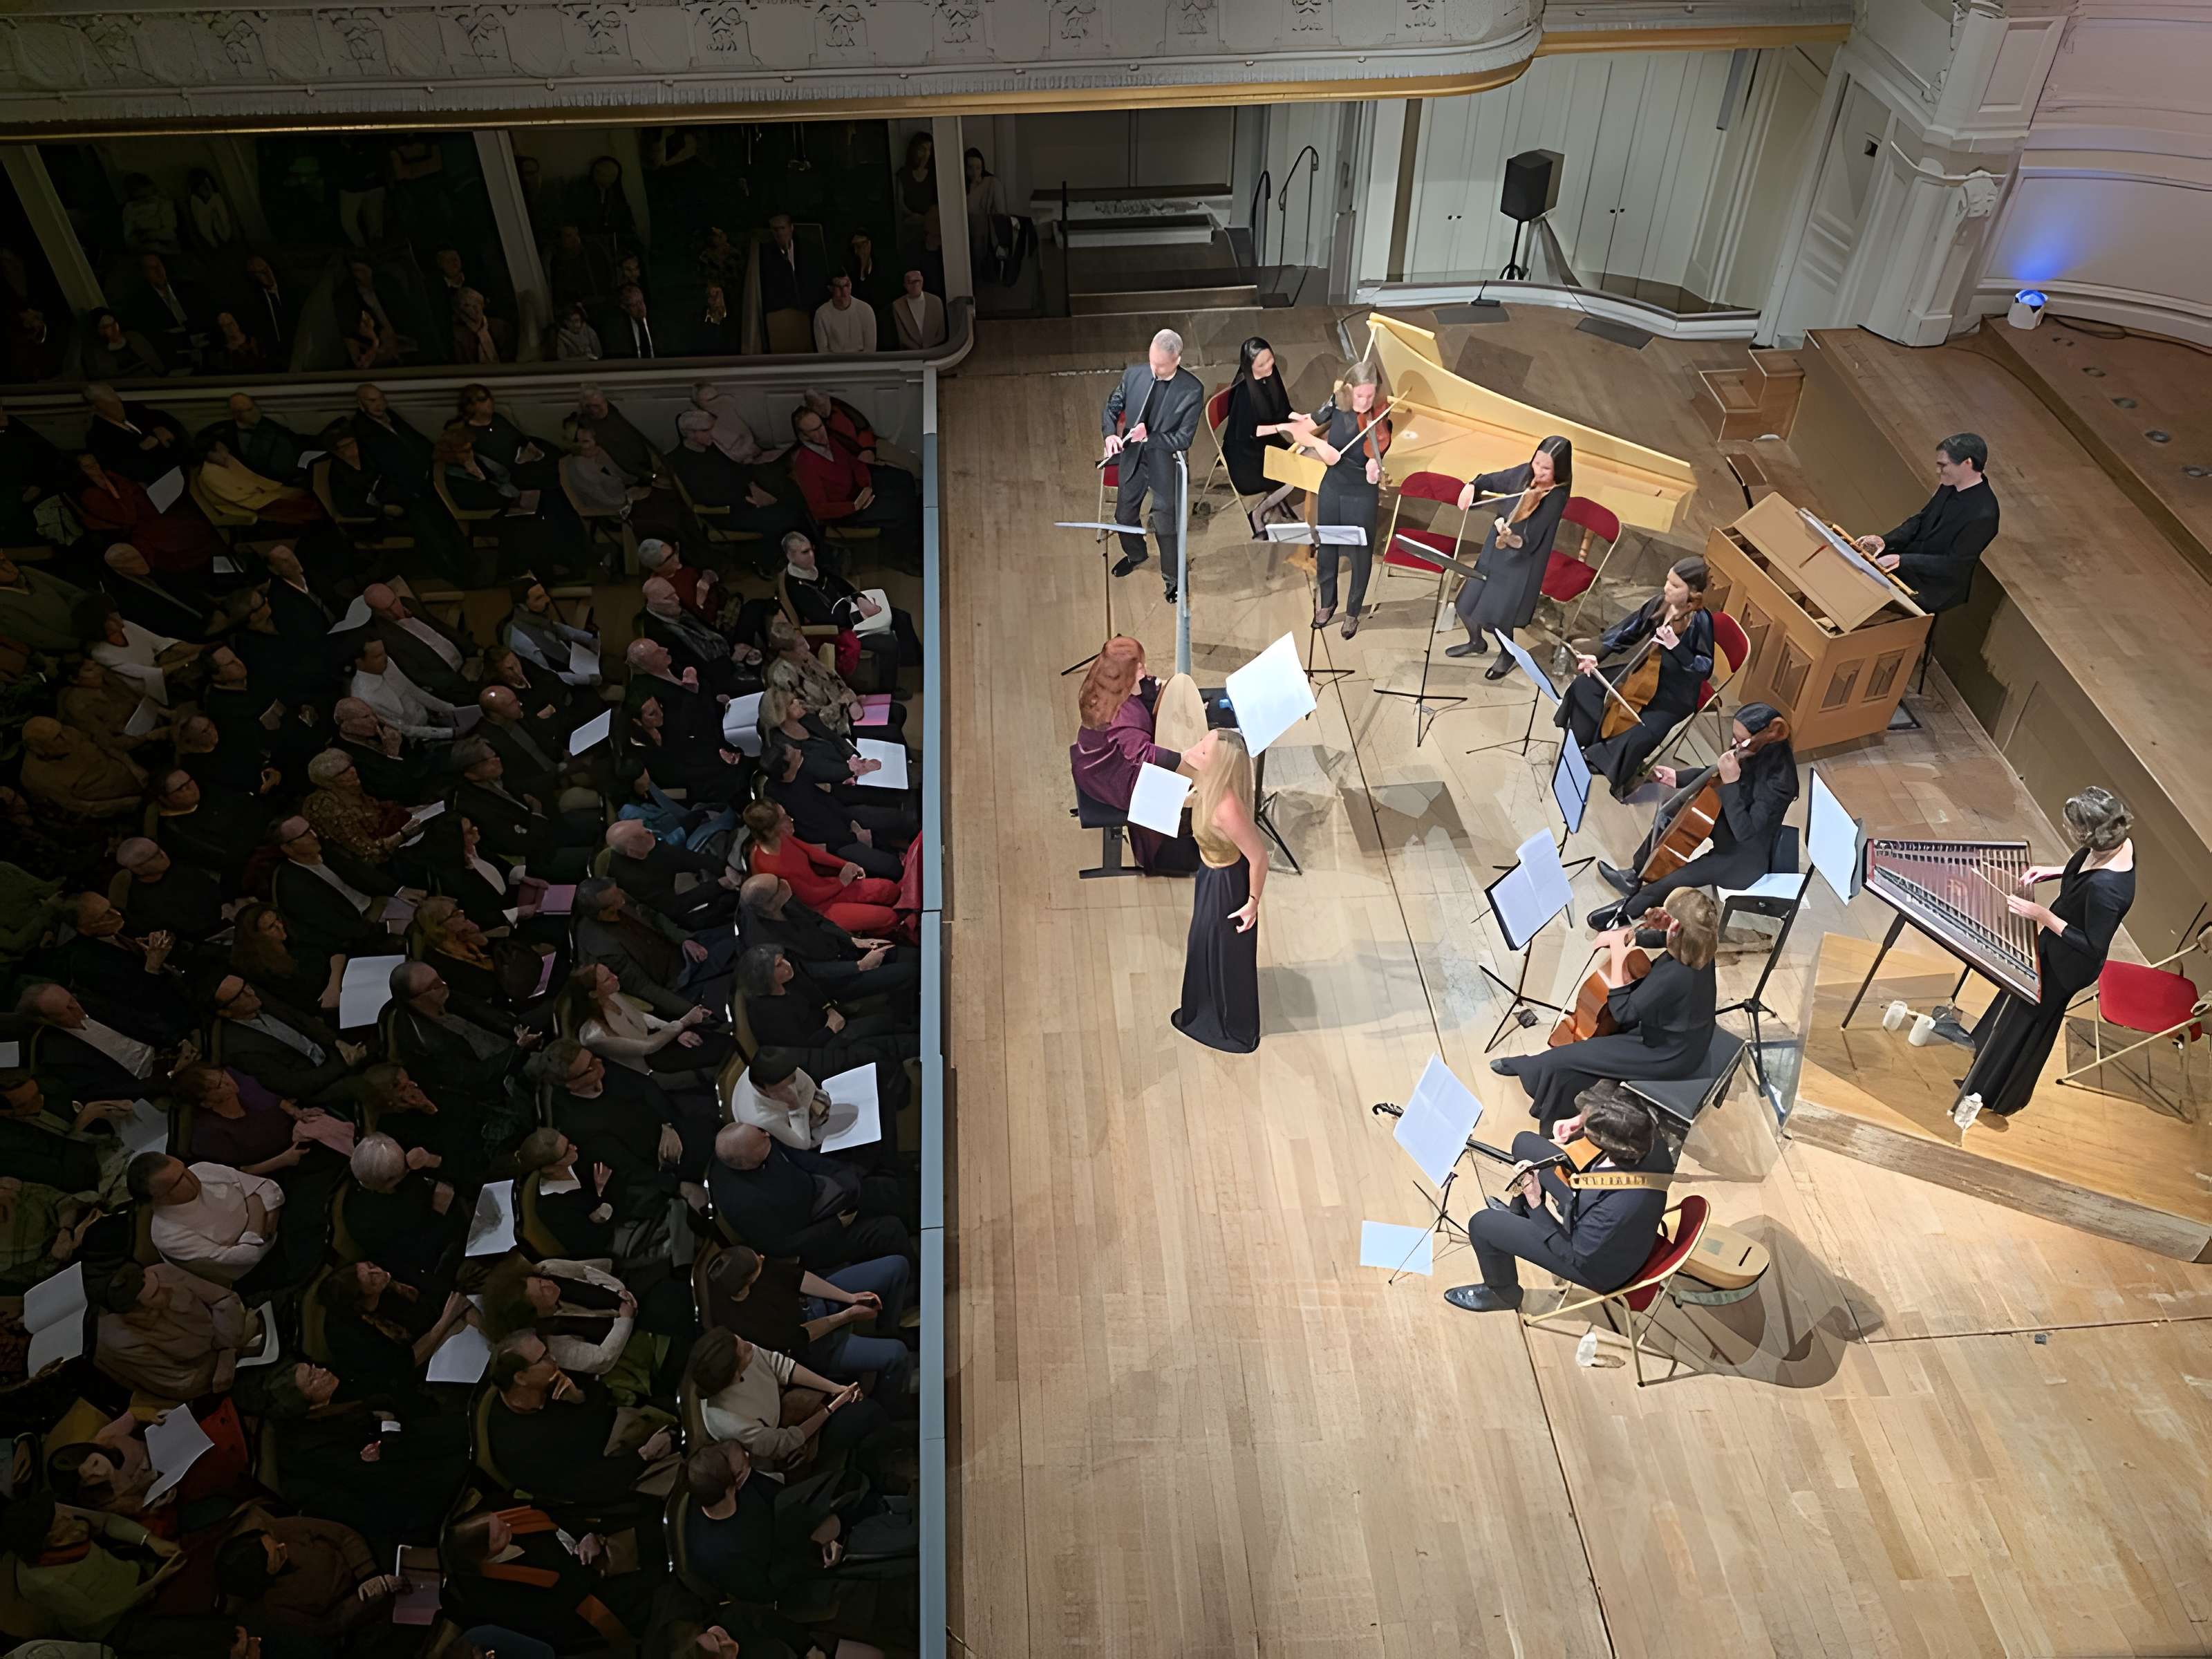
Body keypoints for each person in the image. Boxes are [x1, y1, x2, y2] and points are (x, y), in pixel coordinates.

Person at [1958, 786, 2135, 1121]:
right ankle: (1983, 1058)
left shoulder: (2106, 891)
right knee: (2015, 1001)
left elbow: (2094, 945)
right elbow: (2088, 871)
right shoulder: (2118, 842)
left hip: (2069, 962)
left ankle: (1995, 1091)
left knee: (2029, 1020)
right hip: (2056, 943)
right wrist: (2056, 871)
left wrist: (2042, 915)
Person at [1494, 890, 1721, 1134]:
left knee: (1569, 1057)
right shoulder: (1700, 950)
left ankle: (1542, 1092)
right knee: (1593, 1050)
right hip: (1683, 1039)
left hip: (1666, 1054)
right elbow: (1666, 940)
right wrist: (1632, 935)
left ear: (1677, 927)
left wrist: (1619, 956)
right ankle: (1543, 1071)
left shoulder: (1674, 975)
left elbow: (1623, 1011)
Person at [1441, 1080, 1673, 1314]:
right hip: (1595, 1201)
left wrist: (1535, 1203)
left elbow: (1573, 1254)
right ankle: (1516, 1218)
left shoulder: (1615, 1209)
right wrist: (1580, 1123)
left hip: (1595, 1266)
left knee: (1483, 1224)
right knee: (1525, 1144)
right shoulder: (1650, 1140)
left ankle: (1502, 1291)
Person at [1591, 704, 1798, 928]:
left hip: (1741, 857)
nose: (1733, 745)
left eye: (1740, 740)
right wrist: (1677, 778)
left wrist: (1730, 783)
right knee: (1673, 811)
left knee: (1675, 881)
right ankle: (1634, 874)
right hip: (1731, 822)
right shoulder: (1753, 751)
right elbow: (1716, 772)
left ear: (1763, 739)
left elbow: (1745, 832)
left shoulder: (1781, 783)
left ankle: (1626, 913)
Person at [1555, 556, 1716, 797]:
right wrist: (1598, 656)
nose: (1666, 588)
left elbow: (1704, 668)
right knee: (1586, 685)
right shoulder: (1660, 603)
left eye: (1675, 586)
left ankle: (1602, 761)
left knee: (1642, 732)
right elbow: (1627, 631)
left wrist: (1677, 647)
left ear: (1692, 592)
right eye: (1667, 582)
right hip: (1643, 672)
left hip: (1675, 693)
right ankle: (1584, 740)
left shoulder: (1701, 621)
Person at [482, 1332, 679, 1503]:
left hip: (625, 1422)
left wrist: (578, 1397)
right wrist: (644, 1456)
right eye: (543, 1358)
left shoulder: (548, 1383)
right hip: (619, 1471)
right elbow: (589, 1485)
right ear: (521, 1378)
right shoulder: (521, 1448)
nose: (553, 1360)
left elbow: (601, 1397)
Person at [704, 1241, 911, 1395]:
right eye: (759, 1268)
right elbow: (801, 1336)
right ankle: (891, 1404)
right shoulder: (747, 1324)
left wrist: (849, 1297)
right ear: (743, 1290)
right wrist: (848, 1315)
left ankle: (888, 1329)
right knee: (896, 1354)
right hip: (812, 1347)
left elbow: (797, 1277)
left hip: (812, 1303)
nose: (763, 1259)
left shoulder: (750, 1264)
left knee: (896, 1267)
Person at [1446, 435, 1573, 678]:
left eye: (1546, 468)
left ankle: (1507, 655)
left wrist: (1511, 537)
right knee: (1464, 605)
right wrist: (1474, 484)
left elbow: (1532, 536)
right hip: (1494, 552)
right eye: (1537, 463)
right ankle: (1476, 642)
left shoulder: (1556, 496)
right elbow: (1496, 479)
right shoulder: (1525, 474)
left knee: (1498, 620)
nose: (1538, 472)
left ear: (1560, 469)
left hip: (1520, 563)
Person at [1171, 728, 1265, 1053]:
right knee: (1202, 944)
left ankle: (1228, 1020)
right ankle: (1205, 1004)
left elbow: (1258, 857)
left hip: (1226, 886)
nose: (1195, 750)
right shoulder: (1208, 784)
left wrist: (1252, 903)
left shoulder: (1228, 810)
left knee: (1219, 951)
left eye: (1204, 752)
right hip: (1209, 876)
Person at [1282, 362, 1391, 638]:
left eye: (1370, 396)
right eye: (1359, 396)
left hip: (1361, 493)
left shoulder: (1381, 418)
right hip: (1332, 485)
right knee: (1328, 547)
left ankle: (1353, 612)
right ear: (1349, 389)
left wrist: (1374, 467)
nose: (1365, 402)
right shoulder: (1335, 403)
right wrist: (1321, 446)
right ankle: (1327, 603)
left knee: (1360, 553)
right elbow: (1303, 429)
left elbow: (1376, 455)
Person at [686, 1327, 880, 1475]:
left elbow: (779, 1365)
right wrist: (834, 1406)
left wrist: (836, 1388)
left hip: (786, 1406)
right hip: (784, 1447)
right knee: (866, 1413)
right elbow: (784, 1443)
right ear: (735, 1377)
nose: (749, 1345)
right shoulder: (730, 1422)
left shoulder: (739, 1351)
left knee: (854, 1394)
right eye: (744, 1351)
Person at [1101, 328, 1205, 602]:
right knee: (1124, 517)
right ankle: (1136, 554)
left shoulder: (1192, 390)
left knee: (1166, 528)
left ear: (1177, 360)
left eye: (1160, 366)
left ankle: (1173, 580)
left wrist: (1151, 437)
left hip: (1164, 463)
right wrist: (1111, 433)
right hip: (1134, 458)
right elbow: (1112, 407)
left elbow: (1184, 438)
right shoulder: (1134, 374)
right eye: (1151, 362)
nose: (1154, 370)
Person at [1854, 432, 1999, 617]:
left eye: (1943, 465)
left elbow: (1954, 564)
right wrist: (1884, 541)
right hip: (1910, 564)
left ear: (1967, 463)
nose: (1939, 471)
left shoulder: (1984, 514)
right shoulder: (1951, 484)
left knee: (1866, 600)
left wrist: (1903, 560)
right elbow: (1922, 520)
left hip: (1932, 586)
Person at [742, 798, 906, 937]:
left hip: (828, 886)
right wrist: (841, 882)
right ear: (771, 830)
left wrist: (845, 865)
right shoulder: (770, 866)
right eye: (784, 818)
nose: (790, 819)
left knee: (888, 889)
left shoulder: (781, 838)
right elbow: (811, 898)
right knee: (888, 917)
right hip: (819, 909)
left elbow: (810, 852)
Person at [93, 1259, 255, 1398]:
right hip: (216, 1380)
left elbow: (224, 1299)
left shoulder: (160, 1273)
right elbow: (182, 1384)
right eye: (152, 1294)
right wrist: (226, 1359)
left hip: (239, 1331)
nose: (163, 1287)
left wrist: (228, 1346)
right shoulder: (119, 1341)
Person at [130, 1152, 284, 1286]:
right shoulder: (168, 1235)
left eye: (183, 1169)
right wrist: (255, 1205)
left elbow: (268, 1188)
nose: (190, 1178)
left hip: (278, 1222)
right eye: (176, 1183)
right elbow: (247, 1258)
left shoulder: (201, 1169)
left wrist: (266, 1228)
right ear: (156, 1201)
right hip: (259, 1272)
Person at [1221, 337, 1298, 536]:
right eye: (1261, 364)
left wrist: (1304, 419)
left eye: (1270, 360)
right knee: (1296, 472)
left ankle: (1276, 506)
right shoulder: (1244, 392)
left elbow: (1283, 410)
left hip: (1265, 444)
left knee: (1301, 459)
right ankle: (1259, 513)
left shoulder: (1271, 375)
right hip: (1246, 458)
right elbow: (1253, 431)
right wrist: (1288, 428)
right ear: (1250, 366)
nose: (1268, 367)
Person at [812, 271, 877, 354]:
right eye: (839, 287)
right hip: (835, 364)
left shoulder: (866, 310)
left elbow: (870, 350)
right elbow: (823, 352)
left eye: (846, 285)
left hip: (861, 363)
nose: (844, 291)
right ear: (831, 288)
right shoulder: (821, 314)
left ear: (851, 285)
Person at [892, 266, 946, 351]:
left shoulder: (936, 301)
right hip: (911, 354)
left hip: (936, 352)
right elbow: (902, 337)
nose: (915, 285)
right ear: (905, 285)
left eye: (917, 281)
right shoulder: (898, 305)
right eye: (910, 282)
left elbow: (941, 334)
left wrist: (928, 348)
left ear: (922, 281)